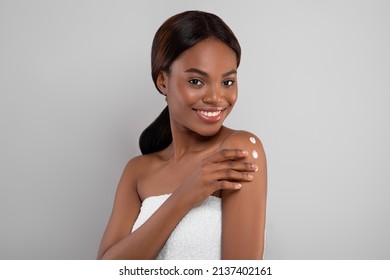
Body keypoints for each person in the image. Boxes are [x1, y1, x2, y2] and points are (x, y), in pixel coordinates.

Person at [97, 10, 267, 260]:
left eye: (227, 82)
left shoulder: (237, 152)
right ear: (163, 81)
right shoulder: (138, 172)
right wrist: (186, 195)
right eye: (196, 81)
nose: (216, 98)